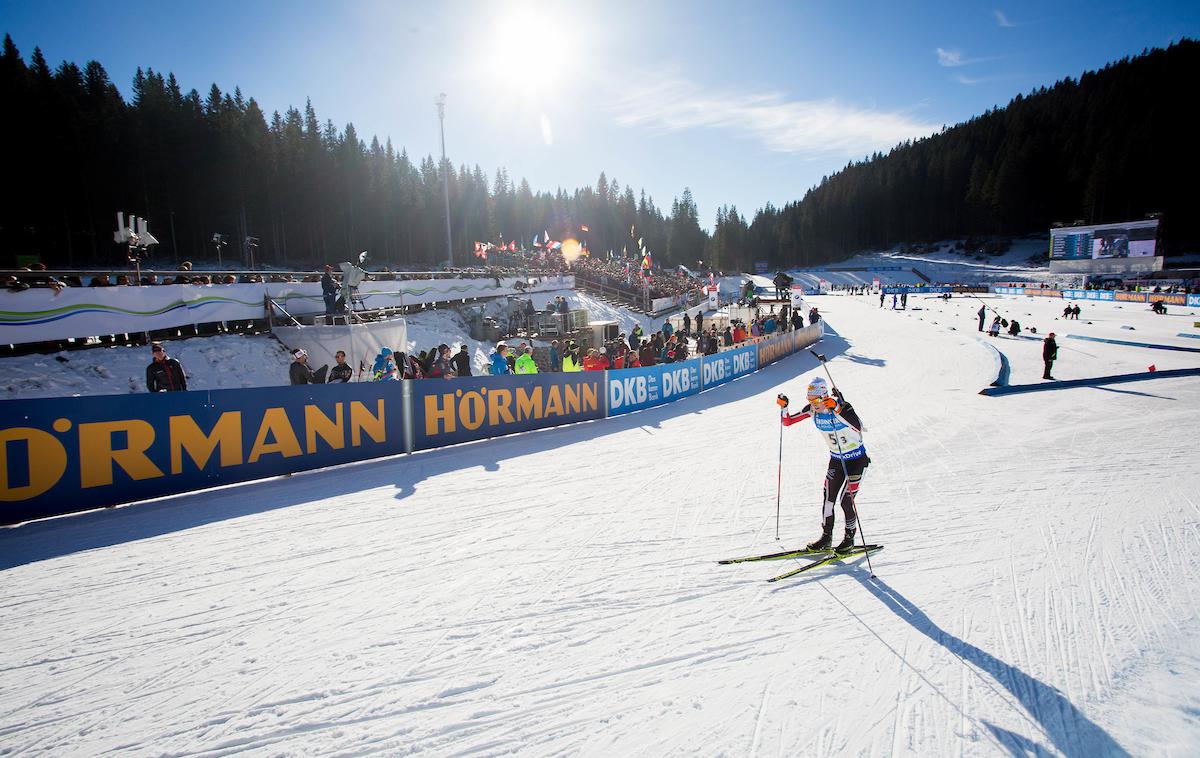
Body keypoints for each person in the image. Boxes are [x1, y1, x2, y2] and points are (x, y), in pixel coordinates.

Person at [778, 376, 869, 552]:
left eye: (817, 400)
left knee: (845, 501)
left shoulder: (842, 407)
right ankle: (826, 538)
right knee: (828, 499)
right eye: (810, 400)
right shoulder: (812, 410)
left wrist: (837, 409)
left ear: (825, 396)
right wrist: (784, 407)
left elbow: (858, 426)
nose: (814, 404)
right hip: (836, 459)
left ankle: (849, 539)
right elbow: (788, 422)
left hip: (857, 460)